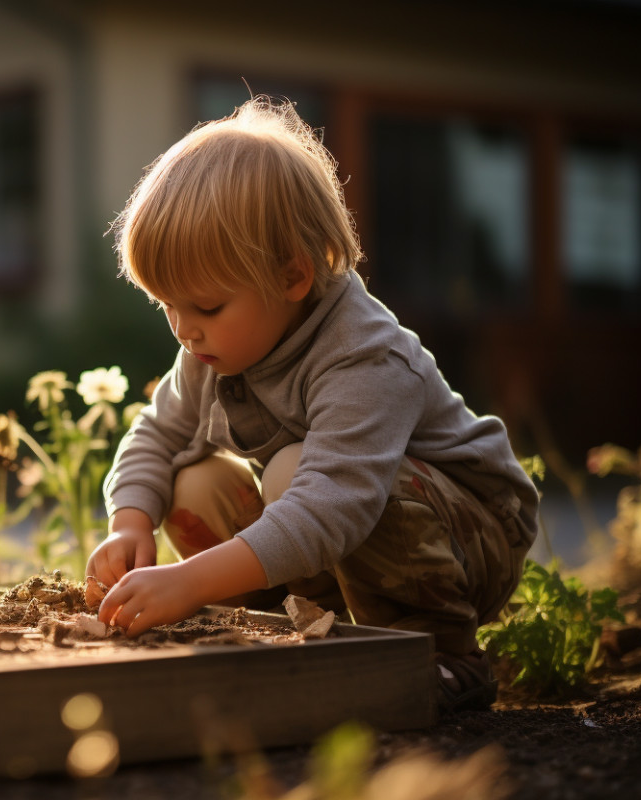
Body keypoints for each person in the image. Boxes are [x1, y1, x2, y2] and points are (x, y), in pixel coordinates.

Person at [87, 96, 539, 713]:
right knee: (191, 484)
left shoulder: (364, 356)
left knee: (294, 473)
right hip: (342, 517)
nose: (183, 331)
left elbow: (334, 504)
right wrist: (129, 523)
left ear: (294, 277)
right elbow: (154, 435)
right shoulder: (207, 350)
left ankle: (439, 654)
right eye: (167, 306)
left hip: (467, 541)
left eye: (206, 307)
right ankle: (296, 627)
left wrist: (189, 583)